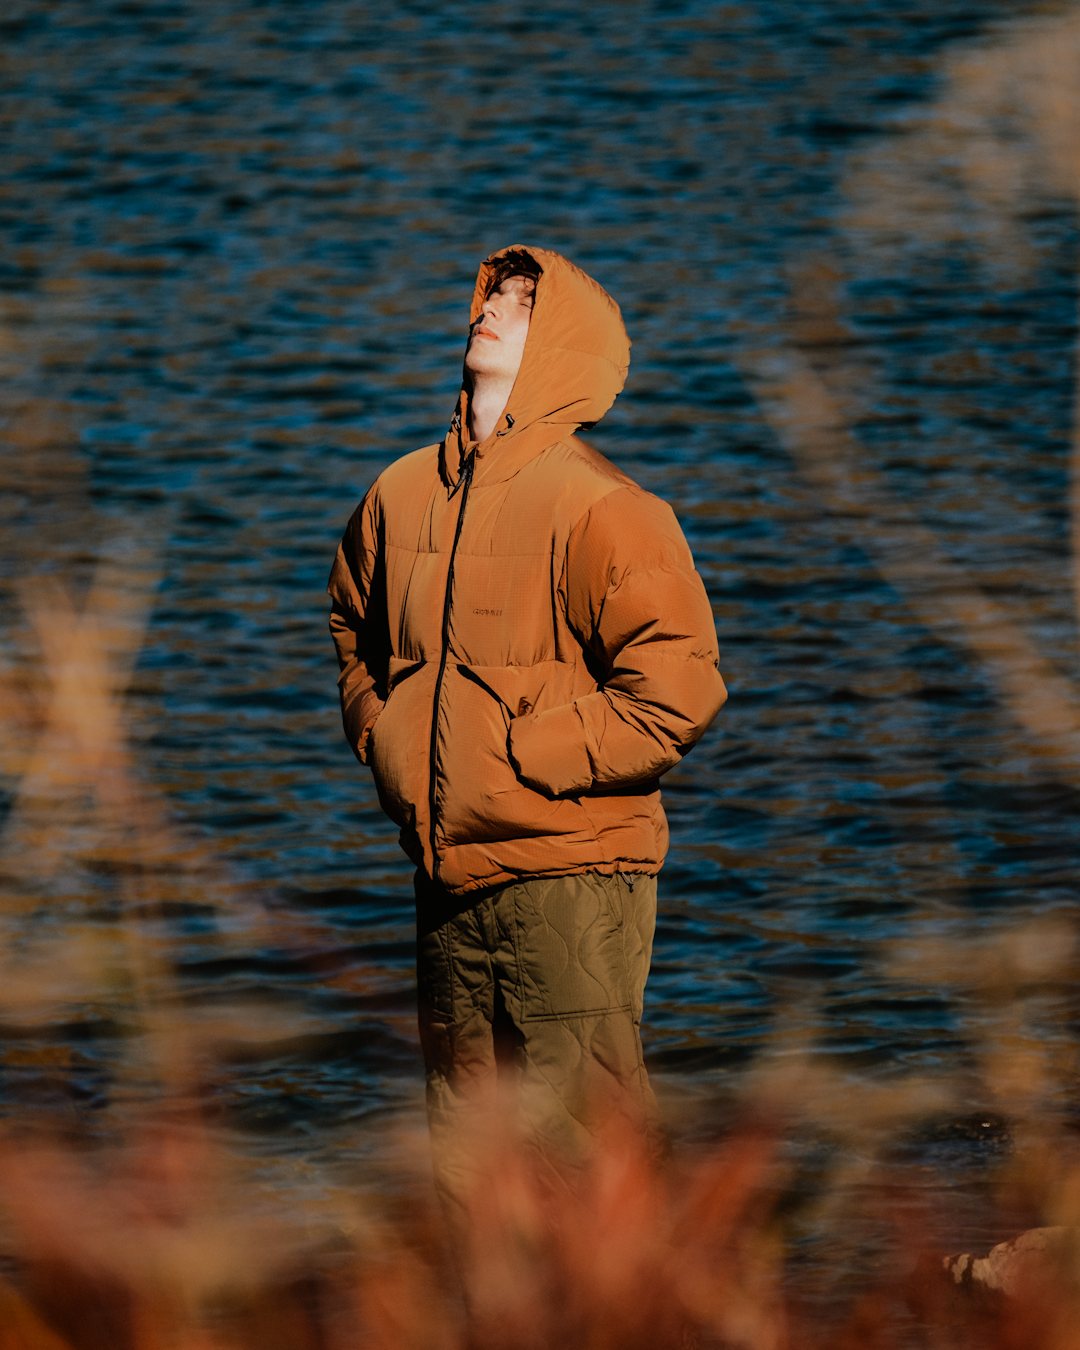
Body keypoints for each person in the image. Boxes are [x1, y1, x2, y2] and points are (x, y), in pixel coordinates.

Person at [328, 246, 726, 1217]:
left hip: (572, 877)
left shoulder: (604, 505)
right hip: (446, 880)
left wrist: (519, 756)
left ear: (563, 349)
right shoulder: (399, 494)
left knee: (591, 1158)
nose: (493, 309)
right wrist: (390, 743)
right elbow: (352, 630)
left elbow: (678, 688)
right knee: (470, 1167)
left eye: (522, 301)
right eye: (491, 295)